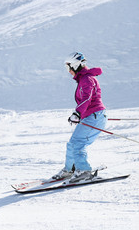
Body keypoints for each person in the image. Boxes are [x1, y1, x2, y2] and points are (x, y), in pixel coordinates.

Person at [52, 52, 107, 183]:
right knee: (72, 143)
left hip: (94, 116)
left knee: (78, 143)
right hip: (92, 116)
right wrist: (80, 114)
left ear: (76, 65)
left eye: (69, 67)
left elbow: (87, 98)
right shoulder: (84, 78)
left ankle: (84, 171)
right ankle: (69, 170)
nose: (69, 71)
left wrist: (77, 113)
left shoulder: (87, 79)